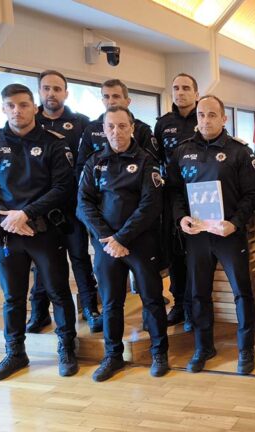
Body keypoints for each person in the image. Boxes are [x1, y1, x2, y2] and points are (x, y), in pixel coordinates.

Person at [0, 83, 78, 381]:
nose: (16, 110)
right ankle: (15, 353)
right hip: (7, 232)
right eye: (10, 105)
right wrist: (2, 214)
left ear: (34, 107)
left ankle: (67, 347)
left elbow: (63, 187)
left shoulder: (53, 143)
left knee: (58, 292)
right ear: (3, 108)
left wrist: (26, 213)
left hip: (44, 231)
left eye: (23, 104)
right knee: (13, 297)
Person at [167, 95, 255, 374]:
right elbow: (174, 191)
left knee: (242, 292)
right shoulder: (182, 150)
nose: (205, 120)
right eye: (201, 115)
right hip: (197, 235)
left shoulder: (239, 152)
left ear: (223, 118)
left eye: (211, 115)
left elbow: (251, 194)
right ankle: (203, 346)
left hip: (228, 233)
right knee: (199, 293)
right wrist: (180, 217)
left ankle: (246, 348)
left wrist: (235, 223)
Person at [77, 106, 169, 381]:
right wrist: (108, 238)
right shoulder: (94, 162)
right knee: (111, 303)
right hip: (107, 246)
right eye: (111, 126)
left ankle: (159, 353)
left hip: (140, 243)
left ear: (131, 127)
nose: (116, 131)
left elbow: (150, 205)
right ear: (104, 130)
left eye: (122, 126)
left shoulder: (146, 161)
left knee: (152, 299)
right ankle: (113, 356)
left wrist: (122, 237)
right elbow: (83, 204)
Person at [26, 70, 100, 335]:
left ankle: (90, 309)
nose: (51, 93)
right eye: (46, 88)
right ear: (39, 91)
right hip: (38, 209)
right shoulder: (29, 122)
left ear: (66, 93)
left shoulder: (82, 123)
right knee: (41, 263)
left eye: (57, 89)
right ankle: (39, 312)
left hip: (72, 207)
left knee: (80, 258)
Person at [154, 73, 200, 330]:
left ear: (196, 93)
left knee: (197, 254)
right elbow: (156, 159)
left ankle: (194, 307)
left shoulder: (203, 117)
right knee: (175, 254)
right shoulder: (163, 124)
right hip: (172, 195)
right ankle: (179, 303)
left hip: (200, 194)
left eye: (186, 88)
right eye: (176, 88)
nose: (180, 92)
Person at [77, 79, 161, 178]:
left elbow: (153, 165)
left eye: (116, 96)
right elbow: (82, 166)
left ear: (128, 101)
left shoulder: (142, 130)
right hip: (99, 185)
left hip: (134, 183)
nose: (111, 101)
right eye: (106, 97)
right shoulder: (91, 129)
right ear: (102, 100)